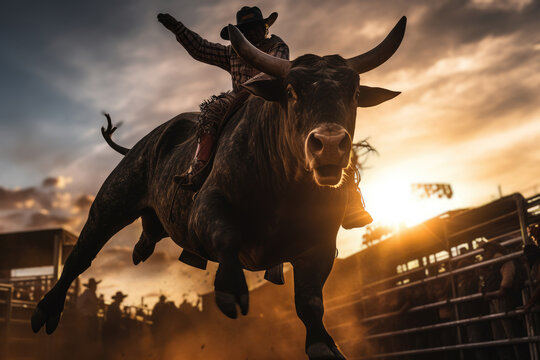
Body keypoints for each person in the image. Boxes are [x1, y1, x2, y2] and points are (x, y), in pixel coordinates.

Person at [157, 6, 372, 229]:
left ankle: (351, 198)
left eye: (257, 28)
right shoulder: (233, 51)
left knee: (325, 124)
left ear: (265, 28)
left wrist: (257, 86)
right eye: (246, 30)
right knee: (211, 112)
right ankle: (200, 169)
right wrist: (179, 29)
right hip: (240, 99)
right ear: (241, 33)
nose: (253, 33)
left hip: (270, 100)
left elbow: (271, 72)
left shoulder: (277, 48)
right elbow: (201, 48)